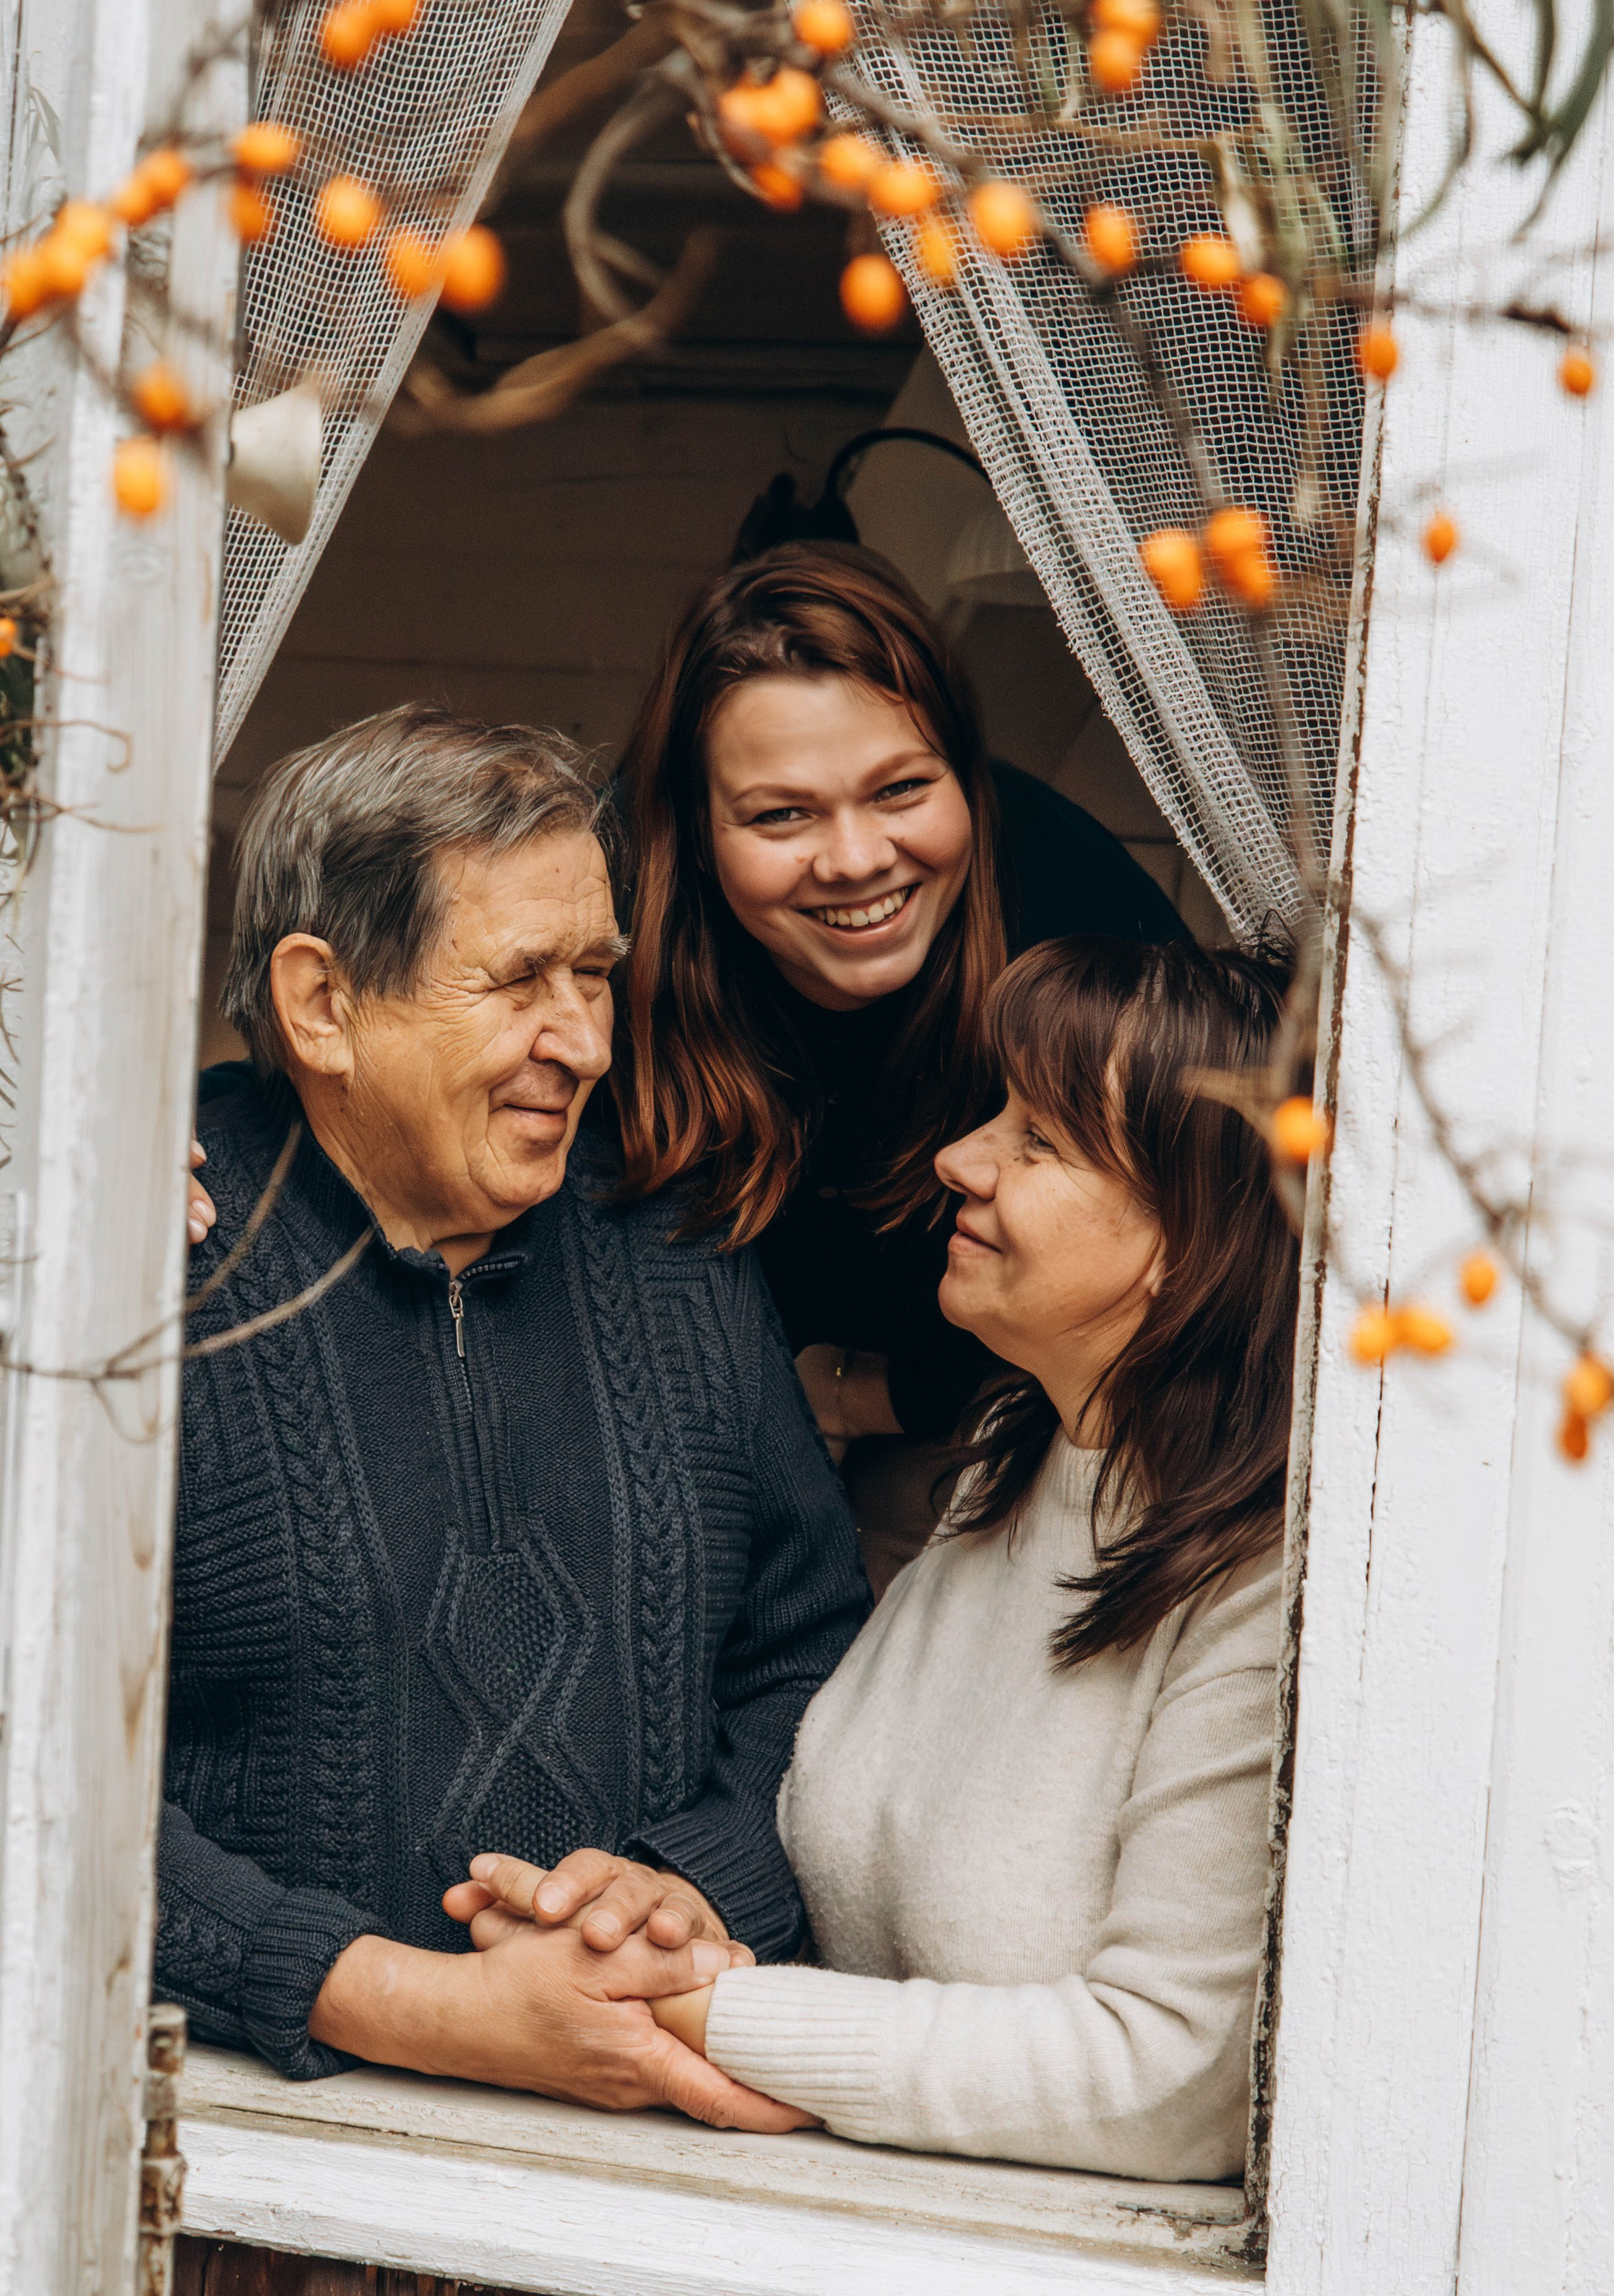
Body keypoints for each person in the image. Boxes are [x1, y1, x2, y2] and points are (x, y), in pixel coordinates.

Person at [457, 935, 1298, 2180]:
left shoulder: (1264, 1588)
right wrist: (678, 1919)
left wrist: (699, 2010)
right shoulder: (1020, 1455)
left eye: (1041, 1140)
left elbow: (1171, 2076)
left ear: (1199, 1235)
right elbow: (852, 1858)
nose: (964, 1156)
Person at [160, 704, 866, 2125]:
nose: (587, 1042)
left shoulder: (678, 1257)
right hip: (246, 2147)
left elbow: (814, 1657)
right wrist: (401, 2002)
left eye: (596, 975)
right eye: (520, 980)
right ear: (321, 1006)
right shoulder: (150, 1257)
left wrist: (693, 1888)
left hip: (647, 2139)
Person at [608, 543, 1183, 1589]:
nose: (858, 858)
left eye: (902, 789)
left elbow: (1191, 1267)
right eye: (782, 814)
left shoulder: (1075, 928)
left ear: (968, 775)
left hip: (995, 1418)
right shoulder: (601, 935)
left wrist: (863, 1395)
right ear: (693, 833)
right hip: (685, 1427)